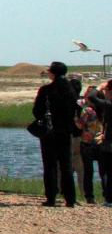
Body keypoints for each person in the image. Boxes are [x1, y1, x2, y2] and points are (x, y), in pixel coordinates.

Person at [32, 61, 78, 207]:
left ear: (53, 73)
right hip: (65, 131)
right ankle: (70, 199)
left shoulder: (46, 90)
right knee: (66, 165)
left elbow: (37, 111)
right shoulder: (71, 90)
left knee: (50, 165)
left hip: (49, 131)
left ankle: (51, 197)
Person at [84, 80, 112, 207]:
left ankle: (109, 199)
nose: (105, 93)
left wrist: (100, 86)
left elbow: (91, 97)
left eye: (107, 91)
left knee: (107, 171)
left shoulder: (109, 104)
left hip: (109, 144)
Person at [76, 86, 104, 204]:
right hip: (101, 142)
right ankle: (107, 196)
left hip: (87, 143)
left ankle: (90, 197)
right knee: (104, 172)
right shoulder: (105, 109)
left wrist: (76, 117)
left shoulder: (87, 110)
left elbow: (79, 125)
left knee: (88, 172)